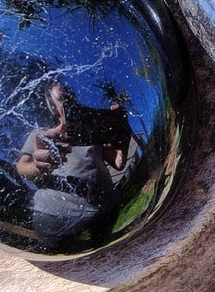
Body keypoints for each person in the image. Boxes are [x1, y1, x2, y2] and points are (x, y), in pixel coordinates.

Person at [16, 82, 131, 248]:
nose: (69, 100)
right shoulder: (42, 135)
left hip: (104, 209)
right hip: (56, 213)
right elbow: (21, 169)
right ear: (51, 104)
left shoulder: (94, 132)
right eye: (62, 97)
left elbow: (119, 163)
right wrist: (37, 164)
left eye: (70, 95)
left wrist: (123, 140)